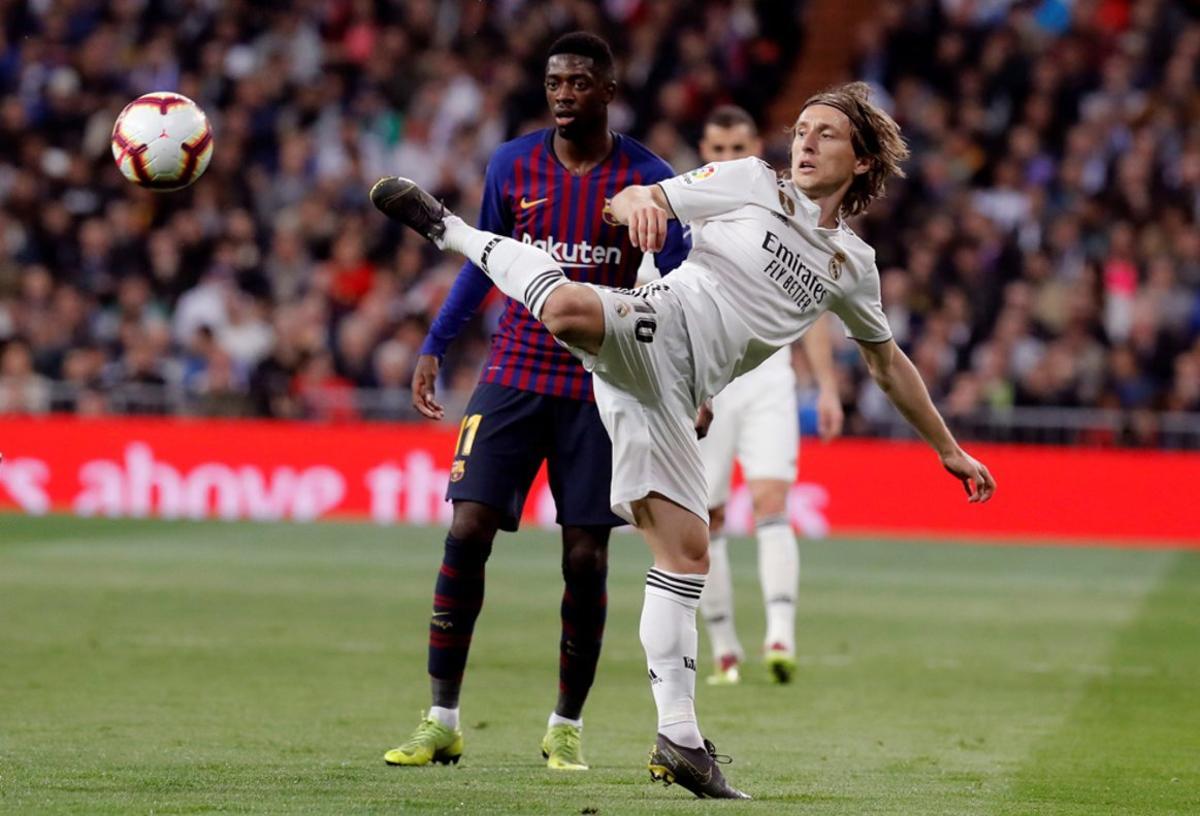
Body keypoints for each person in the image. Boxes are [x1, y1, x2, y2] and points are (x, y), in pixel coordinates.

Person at [371, 81, 996, 799]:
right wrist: (640, 203)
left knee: (687, 553)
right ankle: (449, 230)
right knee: (568, 309)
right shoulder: (752, 181)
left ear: (861, 161)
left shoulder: (852, 267)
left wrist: (947, 448)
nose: (804, 142)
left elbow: (887, 364)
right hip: (660, 326)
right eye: (800, 129)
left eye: (825, 133)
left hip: (676, 394)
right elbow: (643, 199)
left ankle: (680, 742)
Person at [383, 32, 689, 772]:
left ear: (608, 90)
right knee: (467, 528)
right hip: (513, 372)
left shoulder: (649, 179)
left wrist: (687, 383)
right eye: (554, 82)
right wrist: (437, 342)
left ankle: (565, 726)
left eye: (579, 82)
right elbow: (482, 261)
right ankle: (440, 719)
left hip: (602, 386)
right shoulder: (511, 165)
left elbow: (683, 285)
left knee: (585, 556)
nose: (563, 94)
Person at [689, 106, 844, 687]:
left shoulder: (783, 209)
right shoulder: (686, 210)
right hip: (708, 380)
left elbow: (814, 306)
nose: (728, 159)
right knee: (707, 515)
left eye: (738, 148)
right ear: (704, 152)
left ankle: (780, 636)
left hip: (770, 377)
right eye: (718, 149)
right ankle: (725, 647)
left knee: (771, 500)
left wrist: (826, 386)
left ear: (755, 148)